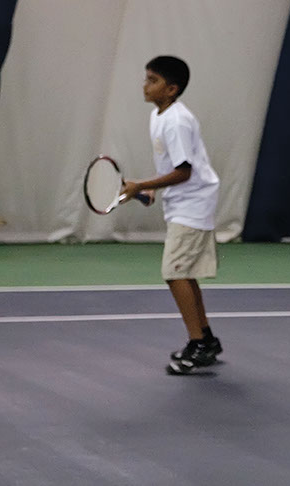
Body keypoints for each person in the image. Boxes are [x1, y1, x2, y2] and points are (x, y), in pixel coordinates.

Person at [121, 55, 222, 375]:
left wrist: (142, 184)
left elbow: (184, 172)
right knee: (184, 272)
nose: (145, 85)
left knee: (174, 272)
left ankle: (198, 345)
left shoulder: (177, 121)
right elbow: (174, 167)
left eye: (153, 80)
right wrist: (151, 189)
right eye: (146, 78)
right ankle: (206, 338)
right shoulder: (159, 115)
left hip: (193, 203)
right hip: (184, 202)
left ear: (171, 89)